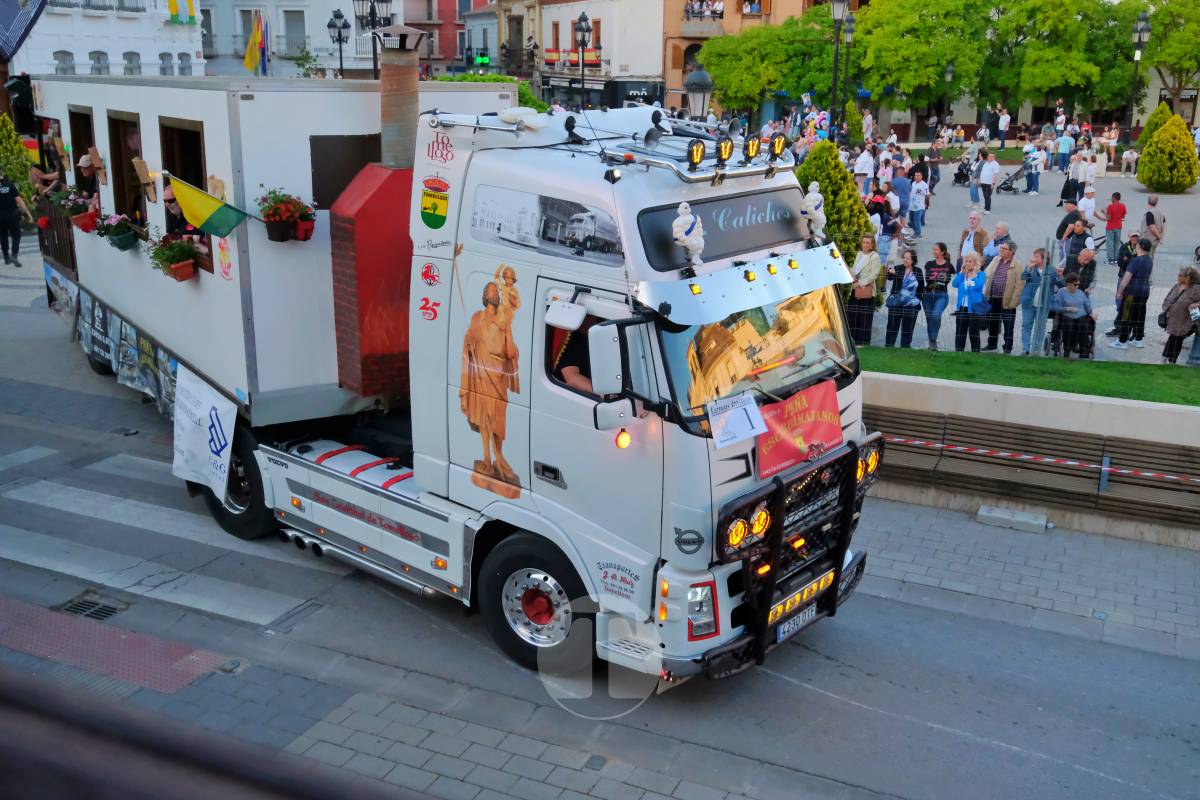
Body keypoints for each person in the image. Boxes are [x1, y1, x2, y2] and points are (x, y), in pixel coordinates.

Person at [1110, 237, 1153, 350]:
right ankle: (1138, 340)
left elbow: (1126, 278)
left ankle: (1122, 341)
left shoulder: (1136, 261)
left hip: (1132, 293)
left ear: (1141, 247)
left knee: (1126, 315)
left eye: (1137, 245)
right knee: (1139, 316)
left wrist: (1120, 292)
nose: (1136, 246)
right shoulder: (1149, 259)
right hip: (1144, 292)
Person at [982, 240, 1023, 353]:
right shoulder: (996, 260)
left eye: (1004, 249)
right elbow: (987, 273)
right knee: (993, 323)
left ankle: (1008, 347)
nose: (1001, 250)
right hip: (993, 298)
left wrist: (1013, 303)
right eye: (1001, 248)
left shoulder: (1018, 265)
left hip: (1008, 301)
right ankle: (992, 344)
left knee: (1008, 325)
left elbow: (1019, 286)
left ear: (1012, 251)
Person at [884, 249, 925, 348]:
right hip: (896, 304)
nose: (905, 260)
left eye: (907, 258)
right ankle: (889, 346)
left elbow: (921, 288)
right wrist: (890, 271)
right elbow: (889, 277)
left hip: (911, 306)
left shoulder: (918, 271)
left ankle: (905, 348)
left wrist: (917, 300)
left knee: (908, 330)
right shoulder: (898, 268)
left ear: (913, 260)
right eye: (904, 257)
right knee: (892, 328)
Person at [1160, 267, 1200, 364]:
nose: (1178, 277)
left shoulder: (1195, 288)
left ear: (1188, 277)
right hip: (1173, 319)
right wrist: (1166, 307)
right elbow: (1167, 297)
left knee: (1177, 338)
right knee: (1173, 337)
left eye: (1180, 275)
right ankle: (1166, 359)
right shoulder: (1177, 286)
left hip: (1186, 320)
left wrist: (1197, 304)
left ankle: (1170, 360)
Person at [848, 235, 882, 346]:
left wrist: (859, 283)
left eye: (868, 243)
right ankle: (852, 342)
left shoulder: (874, 256)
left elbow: (874, 275)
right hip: (855, 289)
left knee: (864, 319)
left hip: (866, 292)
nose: (865, 245)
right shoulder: (859, 254)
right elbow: (854, 270)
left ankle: (863, 343)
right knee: (853, 316)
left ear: (872, 245)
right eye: (863, 242)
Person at [922, 242, 955, 351]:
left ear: (942, 252)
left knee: (936, 315)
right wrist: (939, 279)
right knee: (929, 318)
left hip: (941, 295)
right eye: (933, 249)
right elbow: (928, 280)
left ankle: (933, 340)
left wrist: (936, 280)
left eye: (936, 250)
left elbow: (946, 280)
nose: (933, 251)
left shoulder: (949, 266)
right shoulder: (929, 264)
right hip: (927, 295)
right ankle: (932, 341)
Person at [951, 252, 987, 352]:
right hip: (962, 307)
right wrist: (961, 273)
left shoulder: (980, 274)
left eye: (970, 261)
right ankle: (958, 351)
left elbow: (978, 286)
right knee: (960, 332)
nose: (967, 263)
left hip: (974, 308)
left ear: (975, 263)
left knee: (973, 333)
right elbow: (954, 284)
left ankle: (975, 353)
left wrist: (973, 275)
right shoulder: (962, 274)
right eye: (966, 261)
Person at [1053, 272, 1095, 359]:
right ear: (1068, 284)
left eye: (1078, 284)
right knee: (1069, 324)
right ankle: (1067, 351)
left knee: (1084, 325)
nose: (1077, 286)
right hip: (1067, 316)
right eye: (1075, 284)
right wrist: (1068, 309)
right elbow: (1056, 307)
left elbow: (1087, 305)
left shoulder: (1080, 292)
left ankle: (1084, 352)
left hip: (1080, 316)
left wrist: (1091, 313)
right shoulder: (1061, 292)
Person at [1018, 247, 1049, 355]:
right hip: (1028, 303)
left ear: (1044, 259)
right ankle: (1025, 348)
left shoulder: (1050, 270)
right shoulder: (1031, 268)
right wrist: (1029, 269)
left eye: (1037, 256)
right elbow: (1023, 277)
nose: (1034, 258)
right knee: (1026, 325)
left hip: (1043, 304)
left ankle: (1036, 349)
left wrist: (1059, 276)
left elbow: (1058, 282)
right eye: (1033, 256)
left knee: (1040, 328)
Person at [0, 167, 33, 267]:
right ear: (2, 173)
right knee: (16, 236)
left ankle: (6, 257)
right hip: (12, 215)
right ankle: (14, 256)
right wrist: (28, 214)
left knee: (3, 236)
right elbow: (19, 201)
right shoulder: (10, 184)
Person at [1096, 191, 1126, 265]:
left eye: (1111, 198)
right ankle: (1116, 258)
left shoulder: (1110, 206)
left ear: (1114, 198)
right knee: (1117, 242)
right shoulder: (1123, 206)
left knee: (1110, 243)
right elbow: (1123, 216)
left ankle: (1110, 259)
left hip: (1110, 227)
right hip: (1119, 226)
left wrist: (1103, 212)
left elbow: (1109, 218)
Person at [1138, 194, 1166, 259]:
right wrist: (1161, 236)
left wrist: (1159, 237)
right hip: (1155, 241)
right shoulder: (1161, 213)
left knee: (1146, 258)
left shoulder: (1149, 213)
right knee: (1151, 257)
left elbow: (1152, 228)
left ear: (1148, 201)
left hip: (1148, 240)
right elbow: (1164, 225)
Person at [908, 169, 929, 238]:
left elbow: (927, 195)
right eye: (915, 175)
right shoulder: (913, 183)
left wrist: (927, 203)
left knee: (917, 220)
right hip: (911, 205)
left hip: (919, 206)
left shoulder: (924, 185)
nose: (916, 177)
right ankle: (916, 231)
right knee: (911, 221)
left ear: (921, 176)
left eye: (918, 175)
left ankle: (918, 233)